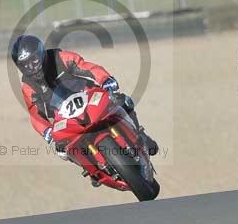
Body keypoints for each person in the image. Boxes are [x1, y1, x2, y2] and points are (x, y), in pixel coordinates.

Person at [10, 35, 158, 161]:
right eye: (25, 65)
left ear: (41, 54)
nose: (31, 67)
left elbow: (87, 67)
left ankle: (140, 134)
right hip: (64, 116)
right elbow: (35, 113)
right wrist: (47, 132)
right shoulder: (28, 86)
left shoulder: (60, 58)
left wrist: (106, 80)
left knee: (122, 100)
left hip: (90, 97)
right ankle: (89, 167)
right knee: (62, 149)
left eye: (34, 61)